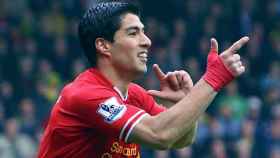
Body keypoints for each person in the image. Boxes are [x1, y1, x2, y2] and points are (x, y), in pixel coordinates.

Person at [37, 1, 249, 158]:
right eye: (133, 33)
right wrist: (214, 78)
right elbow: (160, 134)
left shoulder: (134, 94)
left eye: (143, 32)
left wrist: (181, 104)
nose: (147, 41)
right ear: (103, 46)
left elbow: (181, 139)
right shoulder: (84, 94)